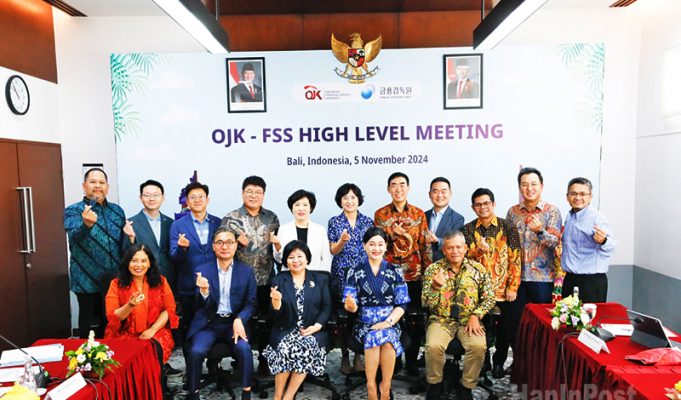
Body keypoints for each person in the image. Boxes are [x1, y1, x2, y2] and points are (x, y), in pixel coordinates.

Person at [185, 227, 257, 400]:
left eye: (229, 242)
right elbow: (199, 305)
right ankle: (193, 393)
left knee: (244, 348)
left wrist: (240, 319)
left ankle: (246, 392)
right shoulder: (202, 270)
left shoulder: (246, 271)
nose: (225, 246)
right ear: (213, 246)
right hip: (209, 323)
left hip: (233, 322)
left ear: (236, 245)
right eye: (220, 242)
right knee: (195, 351)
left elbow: (251, 303)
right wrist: (204, 292)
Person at [422, 231, 495, 400]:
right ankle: (435, 384)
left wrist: (476, 315)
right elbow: (425, 302)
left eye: (458, 247)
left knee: (478, 346)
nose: (455, 251)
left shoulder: (478, 269)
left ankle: (466, 386)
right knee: (433, 346)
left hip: (469, 320)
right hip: (441, 320)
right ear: (444, 250)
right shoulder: (433, 270)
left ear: (465, 248)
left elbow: (489, 298)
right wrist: (434, 287)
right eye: (450, 248)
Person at [221, 175, 281, 374]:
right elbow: (220, 247)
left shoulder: (272, 218)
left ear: (263, 195)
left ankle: (264, 360)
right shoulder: (231, 218)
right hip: (239, 282)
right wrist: (237, 244)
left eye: (258, 192)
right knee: (241, 321)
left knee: (266, 323)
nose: (253, 196)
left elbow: (277, 249)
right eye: (249, 191)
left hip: (265, 280)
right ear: (242, 193)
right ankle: (240, 362)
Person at [373, 172, 430, 375]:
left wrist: (427, 274)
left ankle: (412, 360)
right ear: (388, 189)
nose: (398, 189)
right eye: (394, 185)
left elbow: (424, 246)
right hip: (388, 277)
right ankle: (394, 359)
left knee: (414, 320)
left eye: (402, 184)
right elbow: (377, 244)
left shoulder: (418, 214)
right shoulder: (381, 215)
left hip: (413, 275)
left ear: (408, 188)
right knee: (391, 318)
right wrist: (391, 234)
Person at [344, 227, 410, 400]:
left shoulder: (395, 271)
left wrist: (388, 322)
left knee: (386, 337)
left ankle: (385, 386)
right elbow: (350, 305)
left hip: (390, 322)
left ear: (386, 246)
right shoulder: (355, 271)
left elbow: (402, 303)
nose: (376, 248)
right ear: (364, 245)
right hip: (364, 324)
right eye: (372, 244)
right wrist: (351, 305)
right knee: (374, 335)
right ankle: (371, 385)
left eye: (380, 244)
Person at [104, 244, 178, 398]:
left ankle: (154, 393)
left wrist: (152, 330)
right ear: (127, 262)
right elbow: (113, 317)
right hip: (123, 333)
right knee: (128, 360)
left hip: (155, 332)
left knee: (149, 354)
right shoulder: (115, 284)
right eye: (134, 260)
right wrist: (130, 305)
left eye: (144, 261)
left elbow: (169, 310)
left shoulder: (161, 281)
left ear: (150, 263)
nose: (139, 265)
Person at [462, 188, 521, 379]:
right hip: (477, 291)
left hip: (504, 289)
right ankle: (484, 361)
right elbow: (463, 259)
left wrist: (513, 287)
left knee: (506, 328)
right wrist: (478, 251)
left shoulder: (508, 226)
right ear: (473, 207)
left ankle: (499, 363)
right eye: (478, 204)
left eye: (486, 203)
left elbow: (515, 258)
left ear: (493, 204)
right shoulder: (468, 229)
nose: (483, 207)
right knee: (480, 328)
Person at [64, 167, 130, 338]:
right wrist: (86, 225)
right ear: (84, 186)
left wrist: (131, 238)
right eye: (93, 182)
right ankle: (88, 355)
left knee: (112, 321)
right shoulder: (73, 210)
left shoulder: (117, 211)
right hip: (86, 278)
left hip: (114, 277)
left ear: (107, 186)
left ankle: (113, 353)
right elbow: (75, 237)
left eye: (101, 182)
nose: (97, 186)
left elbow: (123, 245)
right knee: (90, 325)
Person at [263, 241, 331, 400]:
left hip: (312, 330)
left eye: (300, 256)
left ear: (307, 259)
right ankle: (277, 395)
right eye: (291, 257)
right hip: (285, 329)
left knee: (305, 346)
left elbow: (327, 307)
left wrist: (317, 326)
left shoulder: (320, 279)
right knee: (285, 347)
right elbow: (274, 315)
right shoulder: (280, 279)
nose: (296, 260)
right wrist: (276, 302)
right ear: (286, 261)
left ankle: (288, 396)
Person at [328, 183, 373, 374]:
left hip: (363, 275)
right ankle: (345, 356)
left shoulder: (368, 221)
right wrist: (342, 241)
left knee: (361, 315)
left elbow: (374, 247)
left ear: (359, 200)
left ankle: (358, 356)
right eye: (345, 198)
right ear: (340, 201)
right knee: (344, 317)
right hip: (342, 274)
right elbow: (333, 250)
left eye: (353, 197)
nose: (349, 201)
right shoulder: (334, 222)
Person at [169, 181, 221, 343]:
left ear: (207, 200)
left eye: (201, 197)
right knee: (191, 328)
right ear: (187, 201)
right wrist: (181, 248)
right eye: (192, 197)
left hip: (214, 285)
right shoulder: (177, 225)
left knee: (214, 326)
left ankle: (214, 358)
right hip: (188, 286)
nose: (197, 200)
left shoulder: (218, 223)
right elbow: (173, 256)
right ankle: (191, 357)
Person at [505, 167, 562, 305]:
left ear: (541, 186)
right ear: (520, 187)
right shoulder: (513, 212)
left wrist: (540, 231)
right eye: (524, 184)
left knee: (540, 316)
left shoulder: (552, 211)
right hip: (516, 279)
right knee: (516, 317)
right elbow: (508, 245)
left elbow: (555, 242)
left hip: (542, 279)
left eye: (534, 184)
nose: (529, 188)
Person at [561, 177, 616, 303]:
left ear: (590, 197)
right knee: (566, 315)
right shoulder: (570, 217)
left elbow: (611, 246)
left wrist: (603, 241)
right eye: (573, 193)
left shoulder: (597, 218)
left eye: (582, 194)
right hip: (570, 279)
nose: (577, 197)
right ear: (567, 196)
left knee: (590, 316)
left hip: (591, 282)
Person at [124, 180, 176, 292]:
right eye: (147, 195)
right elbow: (125, 254)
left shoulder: (171, 223)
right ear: (140, 198)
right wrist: (131, 239)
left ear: (163, 197)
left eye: (156, 195)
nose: (151, 199)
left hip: (169, 280)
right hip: (143, 280)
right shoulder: (131, 223)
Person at [274, 189, 331, 272]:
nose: (301, 208)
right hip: (289, 277)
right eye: (297, 205)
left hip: (315, 277)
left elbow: (326, 259)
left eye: (305, 205)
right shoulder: (283, 229)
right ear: (291, 208)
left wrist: (321, 278)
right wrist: (277, 246)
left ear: (311, 208)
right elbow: (279, 260)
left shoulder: (320, 230)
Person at [425, 177, 465, 262]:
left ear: (450, 194)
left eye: (443, 191)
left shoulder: (457, 219)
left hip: (444, 264)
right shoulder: (423, 216)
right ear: (429, 194)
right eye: (435, 191)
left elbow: (455, 243)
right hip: (423, 265)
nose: (440, 195)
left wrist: (438, 240)